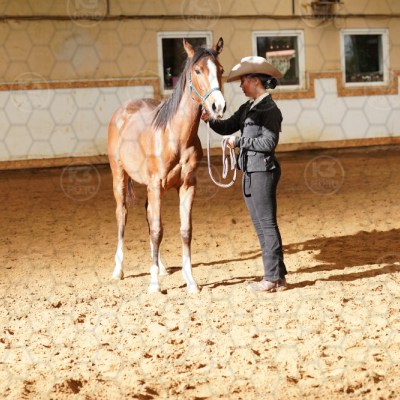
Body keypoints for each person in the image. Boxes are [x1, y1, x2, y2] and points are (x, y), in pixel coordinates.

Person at [201, 56, 288, 292]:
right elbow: (228, 126)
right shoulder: (249, 107)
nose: (240, 85)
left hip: (263, 170)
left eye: (243, 81)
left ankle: (271, 278)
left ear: (255, 81)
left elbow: (269, 142)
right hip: (250, 170)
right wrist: (210, 121)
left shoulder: (270, 109)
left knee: (266, 224)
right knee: (262, 225)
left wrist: (239, 141)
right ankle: (278, 277)